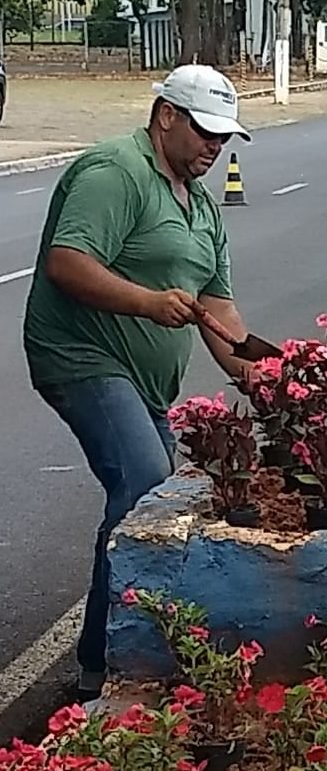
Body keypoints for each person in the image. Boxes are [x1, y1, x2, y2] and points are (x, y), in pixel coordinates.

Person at [22, 64, 254, 702]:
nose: (215, 147)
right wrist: (150, 303)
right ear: (167, 117)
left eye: (225, 138)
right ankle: (100, 666)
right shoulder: (115, 172)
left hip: (145, 381)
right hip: (80, 355)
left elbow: (220, 311)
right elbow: (67, 263)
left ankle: (130, 643)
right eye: (205, 132)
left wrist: (271, 377)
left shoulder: (203, 207)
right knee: (145, 481)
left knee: (157, 503)